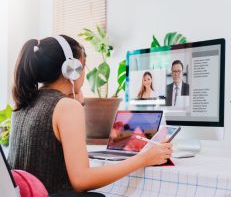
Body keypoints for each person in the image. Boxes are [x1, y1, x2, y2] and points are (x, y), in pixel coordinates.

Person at [7, 35, 172, 195]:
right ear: (72, 69)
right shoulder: (66, 107)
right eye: (83, 65)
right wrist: (143, 158)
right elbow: (81, 181)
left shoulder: (24, 102)